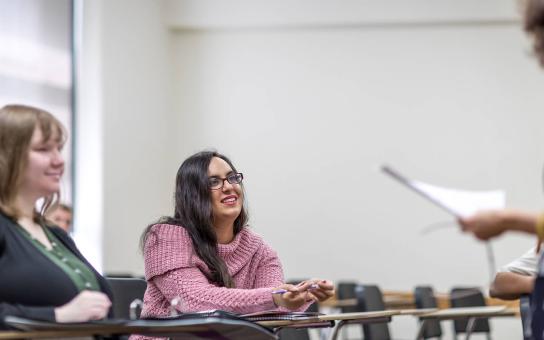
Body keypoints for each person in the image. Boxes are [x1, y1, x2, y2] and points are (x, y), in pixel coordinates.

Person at [137, 151, 335, 320]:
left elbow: (271, 310)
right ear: (193, 195)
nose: (229, 187)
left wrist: (304, 294)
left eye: (232, 178)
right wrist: (275, 296)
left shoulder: (259, 250)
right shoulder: (164, 238)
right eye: (214, 181)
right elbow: (193, 300)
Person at [0, 104, 112, 328]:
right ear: (7, 157)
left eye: (58, 148)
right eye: (43, 149)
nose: (59, 161)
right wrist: (57, 315)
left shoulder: (56, 234)